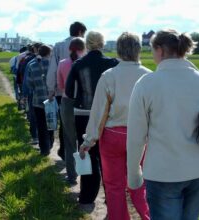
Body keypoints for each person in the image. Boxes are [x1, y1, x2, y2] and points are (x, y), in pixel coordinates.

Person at [126, 29, 199, 220]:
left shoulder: (146, 84)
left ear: (160, 50)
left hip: (163, 174)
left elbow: (136, 138)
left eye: (153, 50)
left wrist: (133, 176)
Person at [79, 32, 150, 220]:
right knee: (141, 182)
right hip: (141, 137)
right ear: (139, 50)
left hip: (112, 136)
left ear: (118, 51)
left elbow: (98, 113)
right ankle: (148, 216)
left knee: (113, 185)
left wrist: (88, 140)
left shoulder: (109, 76)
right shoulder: (150, 76)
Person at [65, 31, 119, 204]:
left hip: (83, 114)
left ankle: (87, 197)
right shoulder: (113, 63)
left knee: (88, 154)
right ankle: (111, 198)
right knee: (108, 157)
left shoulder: (78, 64)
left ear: (87, 45)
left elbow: (69, 92)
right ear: (103, 44)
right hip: (108, 117)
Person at [47, 21, 87, 160]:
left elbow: (53, 68)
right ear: (81, 32)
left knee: (66, 126)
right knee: (82, 127)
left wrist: (51, 88)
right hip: (84, 95)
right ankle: (82, 160)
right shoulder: (85, 45)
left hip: (62, 91)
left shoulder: (58, 46)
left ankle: (65, 153)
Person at [56, 37, 86, 185]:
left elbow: (60, 85)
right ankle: (85, 174)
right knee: (84, 140)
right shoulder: (86, 64)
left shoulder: (62, 64)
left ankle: (72, 175)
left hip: (67, 102)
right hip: (85, 105)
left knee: (69, 140)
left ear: (69, 49)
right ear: (84, 49)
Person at [26, 45, 54, 156]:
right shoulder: (53, 65)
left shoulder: (32, 65)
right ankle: (51, 143)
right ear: (49, 53)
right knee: (51, 123)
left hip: (37, 101)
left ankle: (44, 149)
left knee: (41, 125)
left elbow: (29, 84)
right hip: (51, 100)